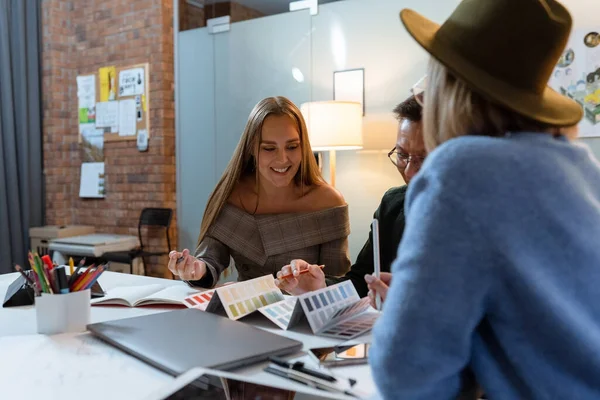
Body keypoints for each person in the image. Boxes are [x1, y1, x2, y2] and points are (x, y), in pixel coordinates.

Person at [370, 0, 600, 399]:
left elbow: (407, 376)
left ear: (448, 87)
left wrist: (404, 314)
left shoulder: (462, 171)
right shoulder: (581, 167)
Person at [168, 96, 351, 287]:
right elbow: (209, 261)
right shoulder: (232, 196)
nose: (283, 159)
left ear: (303, 147)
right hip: (245, 312)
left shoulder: (329, 202)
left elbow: (338, 284)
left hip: (306, 313)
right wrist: (195, 269)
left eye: (292, 147)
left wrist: (314, 285)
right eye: (269, 148)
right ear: (252, 149)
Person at [275, 95, 425, 298]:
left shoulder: (474, 220)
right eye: (402, 155)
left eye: (422, 158)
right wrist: (320, 288)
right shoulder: (392, 205)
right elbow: (360, 280)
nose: (408, 172)